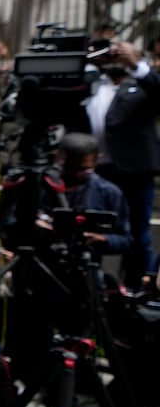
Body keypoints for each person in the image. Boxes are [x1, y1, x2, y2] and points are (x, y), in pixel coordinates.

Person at [80, 39, 160, 287]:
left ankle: (138, 291)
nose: (114, 56)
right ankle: (91, 288)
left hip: (133, 172)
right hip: (95, 172)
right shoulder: (91, 84)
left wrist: (136, 63)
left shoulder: (143, 83)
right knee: (90, 233)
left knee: (137, 234)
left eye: (119, 53)